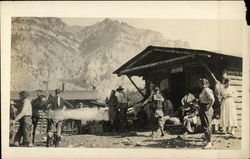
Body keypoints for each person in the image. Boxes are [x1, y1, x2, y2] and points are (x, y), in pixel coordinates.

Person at [198, 78, 215, 149]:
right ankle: (208, 140)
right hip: (203, 107)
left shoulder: (207, 90)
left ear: (202, 83)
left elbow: (212, 99)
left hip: (206, 108)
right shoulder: (203, 90)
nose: (198, 85)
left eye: (199, 83)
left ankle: (209, 142)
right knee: (205, 124)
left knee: (207, 125)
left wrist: (208, 107)